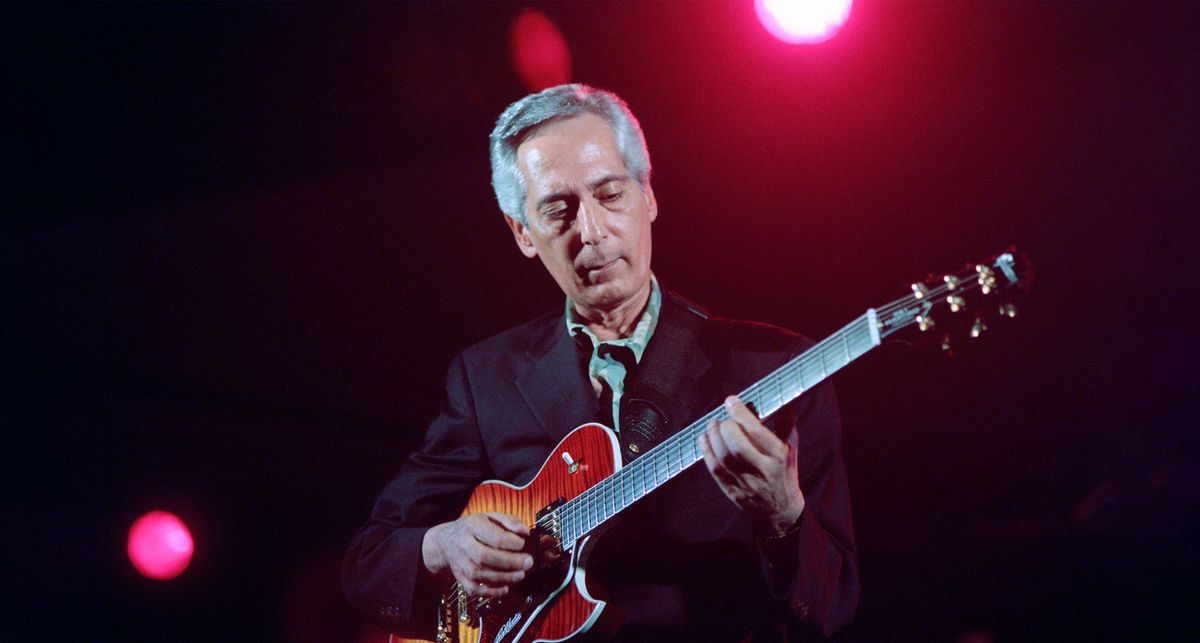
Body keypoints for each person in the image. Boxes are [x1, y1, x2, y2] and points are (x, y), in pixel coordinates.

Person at [342, 84, 859, 641]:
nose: (591, 232)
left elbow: (833, 607)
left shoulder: (776, 368)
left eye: (610, 194)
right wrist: (444, 546)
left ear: (649, 196)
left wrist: (785, 517)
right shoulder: (485, 376)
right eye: (557, 211)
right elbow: (368, 562)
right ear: (523, 234)